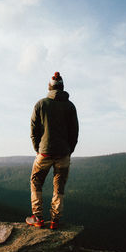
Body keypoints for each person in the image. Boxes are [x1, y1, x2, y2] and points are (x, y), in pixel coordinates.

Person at [26, 72, 79, 229]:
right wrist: (69, 150)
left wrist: (38, 148)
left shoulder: (41, 104)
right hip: (63, 153)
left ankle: (38, 217)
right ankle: (55, 220)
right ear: (62, 87)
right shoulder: (70, 106)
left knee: (36, 181)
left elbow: (33, 130)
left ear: (49, 87)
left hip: (44, 152)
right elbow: (74, 132)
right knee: (59, 185)